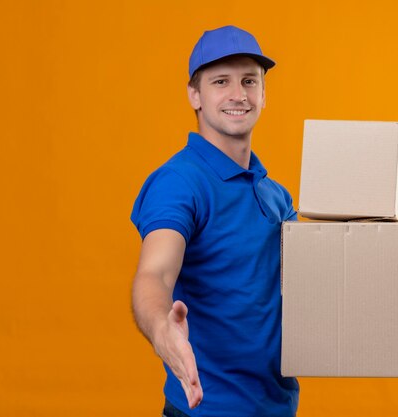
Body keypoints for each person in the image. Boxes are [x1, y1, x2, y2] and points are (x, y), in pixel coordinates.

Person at [130, 25, 299, 417]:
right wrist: (161, 330)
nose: (238, 95)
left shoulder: (277, 196)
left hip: (277, 407)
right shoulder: (180, 182)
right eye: (221, 81)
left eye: (249, 81)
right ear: (195, 95)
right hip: (207, 410)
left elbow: (314, 283)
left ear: (263, 93)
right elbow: (154, 273)